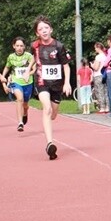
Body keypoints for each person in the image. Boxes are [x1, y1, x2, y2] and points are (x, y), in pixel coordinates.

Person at [32, 18, 71, 159]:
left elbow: (66, 65)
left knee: (53, 113)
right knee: (46, 108)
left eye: (46, 28)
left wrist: (67, 83)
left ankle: (53, 113)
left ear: (51, 30)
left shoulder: (59, 46)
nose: (44, 30)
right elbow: (34, 58)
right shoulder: (35, 46)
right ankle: (50, 144)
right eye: (40, 29)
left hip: (57, 84)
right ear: (37, 33)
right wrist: (28, 70)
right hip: (42, 82)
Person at [2, 37, 35, 131]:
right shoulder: (11, 57)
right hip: (15, 81)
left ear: (24, 47)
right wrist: (3, 77)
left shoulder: (29, 56)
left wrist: (28, 73)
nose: (19, 48)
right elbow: (7, 67)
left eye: (21, 46)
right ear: (14, 46)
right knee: (19, 99)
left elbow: (34, 68)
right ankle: (20, 123)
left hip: (27, 82)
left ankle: (25, 113)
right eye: (17, 46)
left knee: (25, 104)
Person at [90, 42, 108, 114]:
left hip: (98, 75)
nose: (95, 49)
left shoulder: (98, 57)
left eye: (95, 48)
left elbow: (96, 68)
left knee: (99, 91)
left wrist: (92, 65)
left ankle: (102, 107)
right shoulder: (105, 56)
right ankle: (107, 107)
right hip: (104, 75)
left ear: (98, 48)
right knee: (105, 91)